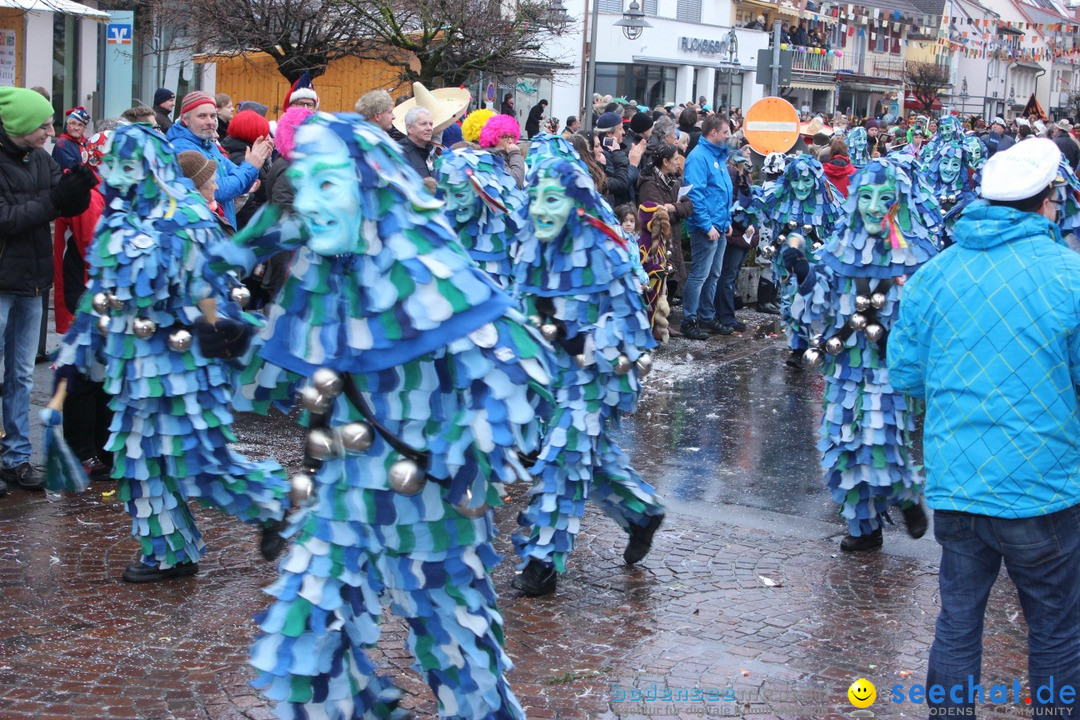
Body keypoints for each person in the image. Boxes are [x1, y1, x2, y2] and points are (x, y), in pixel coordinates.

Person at [206, 111, 553, 720]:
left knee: (458, 656)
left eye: (329, 184)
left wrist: (471, 450)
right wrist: (238, 342)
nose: (311, 202)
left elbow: (523, 372)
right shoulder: (321, 277)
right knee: (302, 642)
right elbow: (292, 384)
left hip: (431, 507)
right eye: (306, 184)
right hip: (342, 499)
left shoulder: (430, 269)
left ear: (369, 190)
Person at [889, 138, 1080, 720]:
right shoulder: (1070, 275)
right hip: (1044, 488)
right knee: (1054, 628)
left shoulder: (936, 274)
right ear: (1048, 201)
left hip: (958, 484)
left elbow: (905, 372)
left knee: (957, 623)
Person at [52, 123, 289, 581]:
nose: (121, 176)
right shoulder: (116, 224)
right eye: (113, 166)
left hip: (184, 366)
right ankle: (169, 551)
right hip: (131, 369)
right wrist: (77, 348)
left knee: (196, 459)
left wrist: (229, 341)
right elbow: (100, 296)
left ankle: (270, 503)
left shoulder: (188, 220)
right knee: (138, 460)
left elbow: (214, 295)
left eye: (130, 165)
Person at [511, 152, 662, 597]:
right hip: (548, 374)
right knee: (579, 456)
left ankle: (542, 564)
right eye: (535, 198)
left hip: (596, 375)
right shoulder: (532, 242)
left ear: (576, 204)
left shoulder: (605, 247)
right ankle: (641, 511)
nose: (540, 208)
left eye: (552, 199)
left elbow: (633, 326)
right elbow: (522, 303)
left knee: (565, 458)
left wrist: (582, 343)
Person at [782, 157, 939, 551]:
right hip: (845, 370)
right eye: (865, 196)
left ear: (899, 202)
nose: (872, 206)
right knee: (841, 452)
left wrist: (900, 344)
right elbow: (818, 310)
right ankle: (864, 530)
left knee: (880, 442)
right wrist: (803, 272)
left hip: (890, 371)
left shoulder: (917, 256)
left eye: (883, 198)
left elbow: (926, 320)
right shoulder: (840, 247)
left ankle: (905, 496)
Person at [0, 88, 94, 493]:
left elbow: (62, 202)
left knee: (21, 374)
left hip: (32, 281)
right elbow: (7, 219)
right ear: (20, 126)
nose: (50, 131)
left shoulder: (41, 158)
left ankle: (17, 458)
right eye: (43, 124)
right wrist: (57, 200)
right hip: (2, 280)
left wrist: (81, 188)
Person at [167, 91, 273, 228]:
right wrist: (251, 166)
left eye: (213, 116)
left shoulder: (207, 144)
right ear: (185, 119)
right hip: (202, 230)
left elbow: (242, 181)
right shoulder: (183, 148)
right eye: (202, 116)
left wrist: (251, 166)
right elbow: (219, 190)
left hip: (221, 227)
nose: (210, 122)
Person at [679, 114, 733, 340]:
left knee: (714, 274)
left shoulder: (717, 156)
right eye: (725, 132)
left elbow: (722, 192)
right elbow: (695, 194)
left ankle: (706, 315)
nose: (728, 136)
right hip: (706, 227)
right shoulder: (699, 157)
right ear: (713, 133)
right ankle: (689, 318)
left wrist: (726, 221)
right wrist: (706, 225)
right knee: (700, 274)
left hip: (718, 225)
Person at [638, 143, 692, 303]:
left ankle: (665, 324)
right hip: (657, 242)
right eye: (675, 159)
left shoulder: (673, 181)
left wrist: (673, 207)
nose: (678, 162)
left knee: (671, 285)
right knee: (659, 285)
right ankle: (658, 325)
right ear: (665, 161)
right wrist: (676, 209)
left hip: (672, 240)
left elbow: (689, 206)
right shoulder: (649, 183)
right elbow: (659, 214)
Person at [596, 110, 643, 207]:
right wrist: (633, 165)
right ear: (609, 133)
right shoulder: (603, 154)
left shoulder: (618, 149)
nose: (624, 132)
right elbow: (620, 182)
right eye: (620, 129)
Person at [398, 106, 438, 180]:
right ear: (409, 128)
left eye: (431, 124)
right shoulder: (400, 152)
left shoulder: (432, 152)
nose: (429, 128)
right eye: (423, 124)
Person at [51, 106, 90, 170]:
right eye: (73, 123)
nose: (76, 128)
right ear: (67, 125)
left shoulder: (87, 143)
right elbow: (72, 168)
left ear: (84, 128)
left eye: (80, 125)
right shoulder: (62, 143)